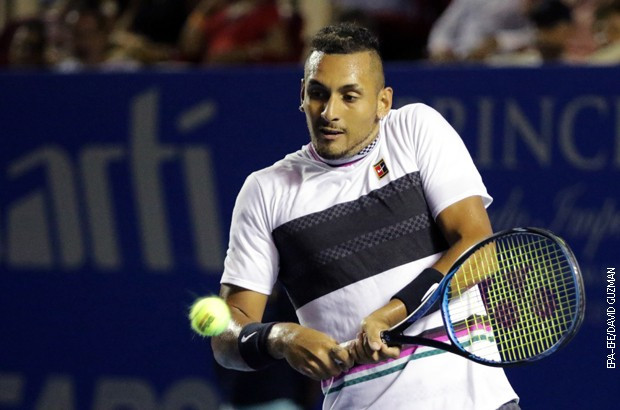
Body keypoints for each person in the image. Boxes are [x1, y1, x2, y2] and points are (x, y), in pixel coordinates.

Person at [211, 23, 519, 409]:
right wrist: (281, 338)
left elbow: (478, 249)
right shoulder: (265, 191)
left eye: (349, 96)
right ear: (302, 95)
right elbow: (225, 337)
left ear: (383, 102)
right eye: (318, 94)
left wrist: (390, 314)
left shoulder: (415, 129)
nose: (329, 112)